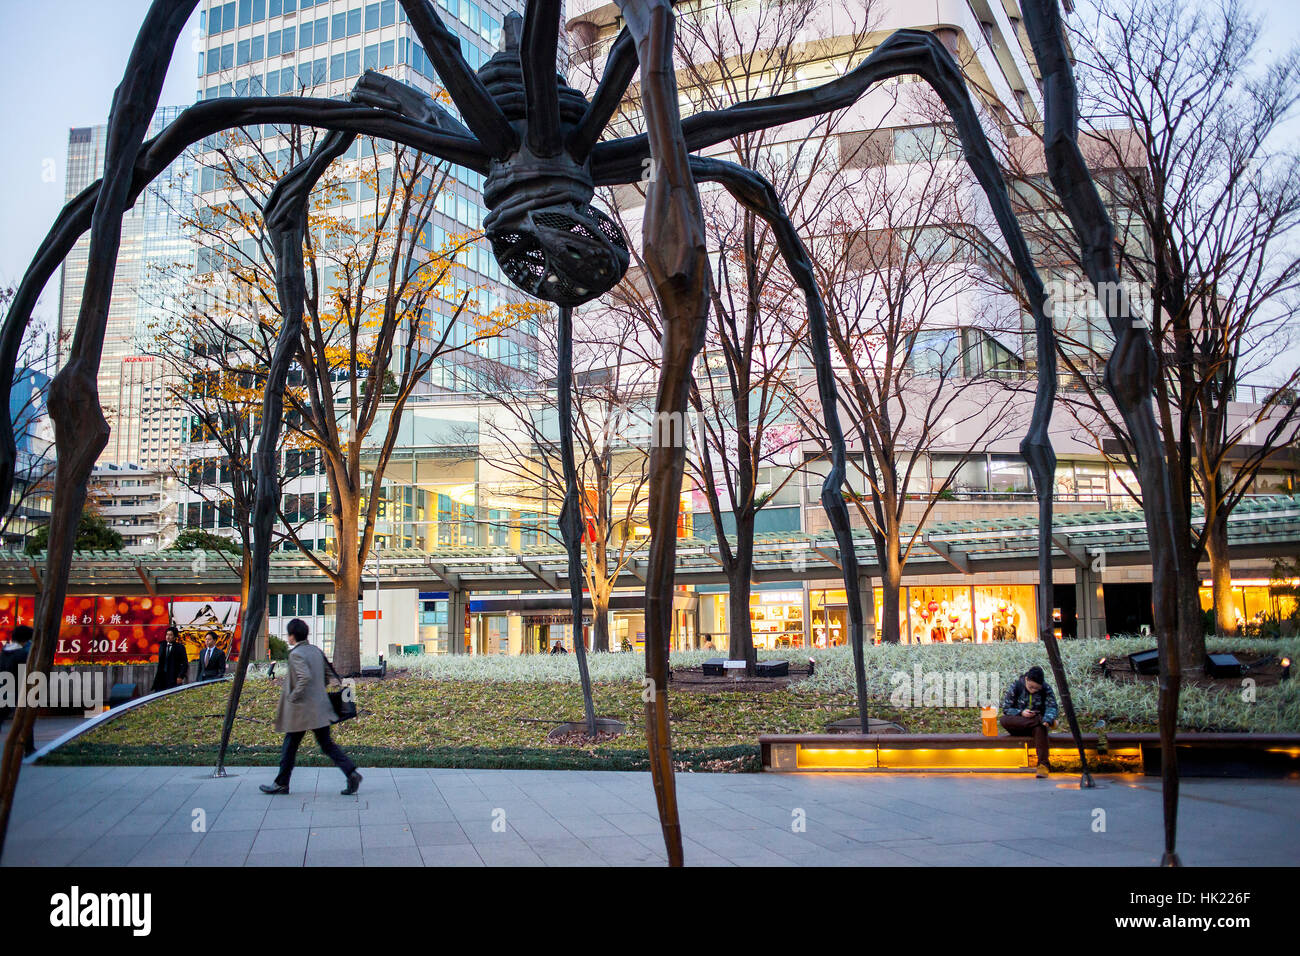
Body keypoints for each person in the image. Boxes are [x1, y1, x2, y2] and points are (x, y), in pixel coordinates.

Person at [261, 618, 361, 796]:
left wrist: (293, 696)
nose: (288, 638)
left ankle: (282, 783)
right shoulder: (315, 650)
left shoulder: (296, 654)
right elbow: (327, 676)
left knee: (290, 745)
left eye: (288, 634)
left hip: (301, 710)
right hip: (320, 708)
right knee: (326, 744)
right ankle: (351, 772)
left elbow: (304, 677)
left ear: (292, 636)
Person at [999, 665, 1059, 777]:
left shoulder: (1046, 689)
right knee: (1003, 720)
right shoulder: (1016, 686)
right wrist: (1021, 712)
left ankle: (1043, 765)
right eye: (1031, 687)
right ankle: (1038, 721)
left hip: (1036, 728)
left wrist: (1047, 719)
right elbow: (1006, 709)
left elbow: (1052, 707)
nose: (1033, 690)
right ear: (1026, 679)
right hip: (1019, 723)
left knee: (1040, 728)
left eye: (1037, 689)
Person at [0, 625, 36, 755]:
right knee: (25, 718)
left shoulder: (4, 652)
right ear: (26, 640)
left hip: (4, 690)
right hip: (18, 691)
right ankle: (29, 748)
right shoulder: (22, 655)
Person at [150, 625, 189, 692]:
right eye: (167, 634)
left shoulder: (180, 647)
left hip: (173, 676)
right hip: (161, 676)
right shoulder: (162, 646)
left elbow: (185, 663)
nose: (168, 637)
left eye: (170, 635)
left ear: (175, 637)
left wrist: (180, 676)